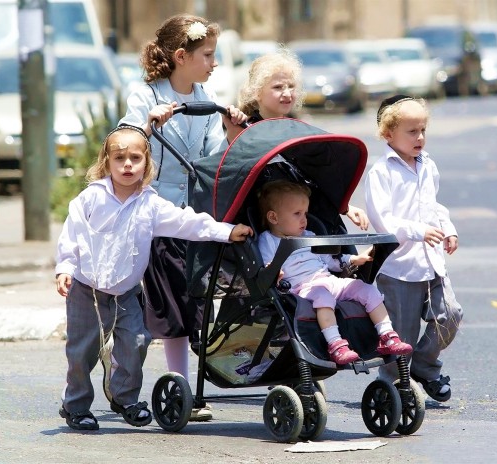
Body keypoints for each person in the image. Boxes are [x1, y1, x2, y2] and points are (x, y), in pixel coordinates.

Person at [55, 126, 252, 431]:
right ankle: (76, 405)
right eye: (119, 158)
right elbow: (72, 234)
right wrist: (65, 267)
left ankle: (125, 399)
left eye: (135, 157)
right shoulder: (90, 199)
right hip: (87, 290)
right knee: (82, 351)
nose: (128, 165)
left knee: (136, 343)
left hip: (128, 291)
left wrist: (226, 232)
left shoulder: (151, 203)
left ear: (147, 163)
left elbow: (188, 223)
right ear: (106, 162)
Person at [117, 14, 248, 421]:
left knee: (199, 298)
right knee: (171, 303)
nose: (214, 63)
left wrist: (230, 132)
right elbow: (123, 146)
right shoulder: (144, 96)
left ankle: (192, 384)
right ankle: (182, 388)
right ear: (180, 56)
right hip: (154, 215)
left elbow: (210, 161)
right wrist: (147, 127)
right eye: (208, 55)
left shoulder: (207, 101)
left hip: (194, 215)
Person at [364, 94, 463, 402]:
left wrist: (447, 228)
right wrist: (418, 231)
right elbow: (384, 221)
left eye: (422, 130)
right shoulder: (381, 172)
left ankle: (423, 366)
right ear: (388, 134)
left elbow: (432, 206)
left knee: (450, 315)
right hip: (399, 267)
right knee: (400, 337)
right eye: (411, 131)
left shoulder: (427, 164)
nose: (419, 137)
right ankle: (394, 388)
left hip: (431, 261)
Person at [256, 180, 412, 365]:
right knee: (322, 295)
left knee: (366, 289)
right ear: (274, 218)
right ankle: (336, 345)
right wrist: (274, 272)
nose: (304, 219)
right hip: (301, 288)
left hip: (327, 279)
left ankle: (387, 336)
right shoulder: (268, 240)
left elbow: (331, 261)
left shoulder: (310, 236)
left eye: (305, 213)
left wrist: (354, 260)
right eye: (297, 214)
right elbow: (266, 265)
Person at [225, 48, 370, 231]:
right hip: (267, 232)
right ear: (257, 93)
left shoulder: (297, 130)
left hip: (304, 224)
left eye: (291, 86)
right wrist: (233, 130)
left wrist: (345, 207)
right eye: (278, 87)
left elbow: (315, 179)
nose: (287, 94)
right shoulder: (246, 130)